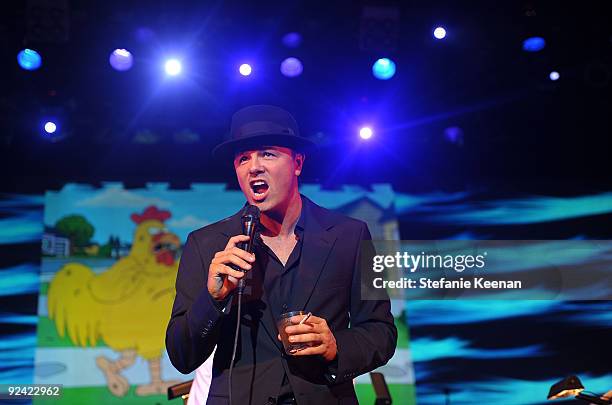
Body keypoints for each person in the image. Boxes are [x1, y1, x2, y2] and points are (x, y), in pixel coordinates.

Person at [166, 105, 397, 405]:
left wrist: (335, 345)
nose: (254, 167)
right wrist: (213, 300)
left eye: (268, 154)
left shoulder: (351, 236)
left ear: (298, 162)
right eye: (243, 159)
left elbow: (382, 332)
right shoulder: (207, 244)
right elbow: (182, 356)